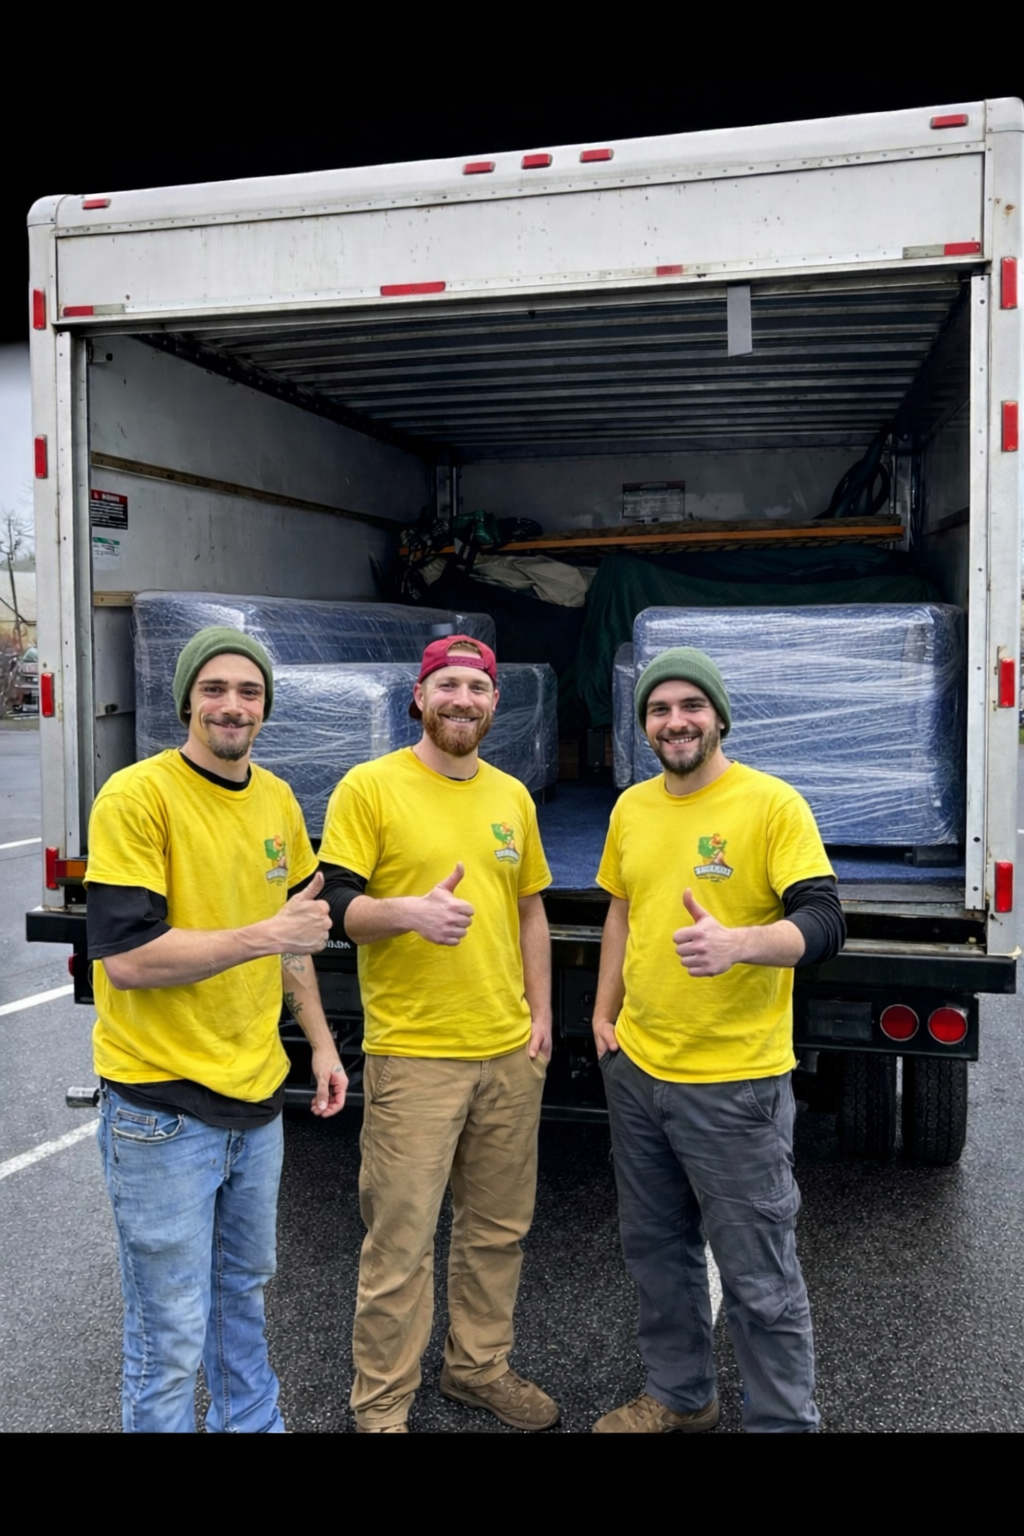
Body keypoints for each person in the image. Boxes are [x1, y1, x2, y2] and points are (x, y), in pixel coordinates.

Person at [85, 625, 347, 1433]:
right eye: (215, 689)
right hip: (162, 1109)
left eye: (249, 692)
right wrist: (264, 937)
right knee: (167, 1331)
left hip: (256, 1096)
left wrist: (324, 1043)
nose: (232, 706)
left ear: (265, 708)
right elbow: (128, 957)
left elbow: (297, 934)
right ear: (187, 701)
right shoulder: (138, 796)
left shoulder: (274, 799)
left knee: (243, 1297)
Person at [591, 647, 845, 1434]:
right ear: (644, 727)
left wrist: (743, 945)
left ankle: (781, 1421)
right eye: (659, 710)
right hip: (639, 1070)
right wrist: (603, 1019)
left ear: (719, 717)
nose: (675, 721)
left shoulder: (771, 805)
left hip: (734, 1082)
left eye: (690, 706)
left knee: (759, 1276)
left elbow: (826, 921)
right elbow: (622, 911)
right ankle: (678, 1395)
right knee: (658, 1253)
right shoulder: (633, 807)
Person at [318, 634, 558, 1433]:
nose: (463, 699)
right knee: (400, 1241)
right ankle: (382, 1407)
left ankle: (476, 1368)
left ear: (496, 702)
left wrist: (542, 1015)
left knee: (498, 1230)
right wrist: (408, 913)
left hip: (507, 1049)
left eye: (478, 688)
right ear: (418, 697)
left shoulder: (510, 797)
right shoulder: (370, 788)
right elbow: (338, 907)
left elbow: (530, 908)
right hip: (416, 1053)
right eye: (447, 685)